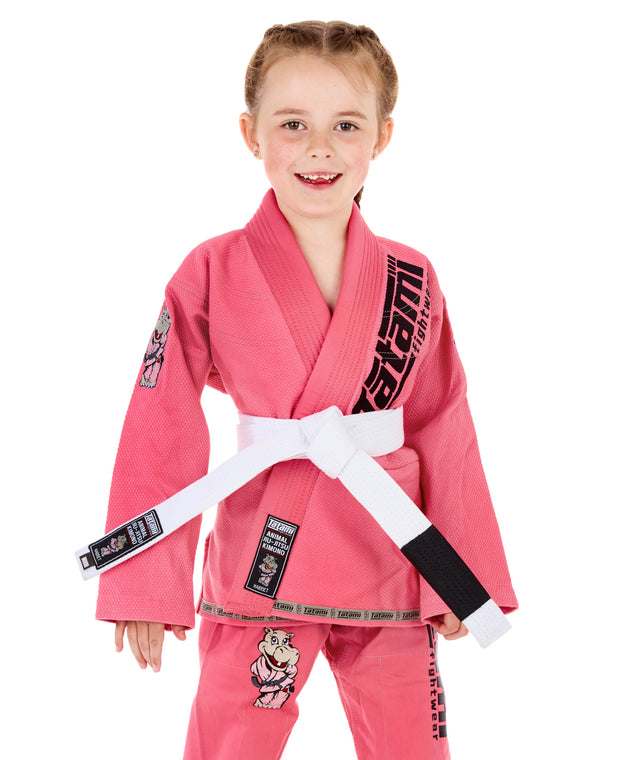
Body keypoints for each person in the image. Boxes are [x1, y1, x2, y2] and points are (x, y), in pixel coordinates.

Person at [95, 20, 518, 759]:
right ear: (250, 134)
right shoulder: (211, 270)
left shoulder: (410, 276)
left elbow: (443, 420)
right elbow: (160, 418)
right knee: (230, 744)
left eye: (345, 125)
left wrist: (461, 574)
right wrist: (145, 578)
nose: (319, 148)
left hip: (388, 551)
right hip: (266, 553)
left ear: (382, 137)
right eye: (293, 124)